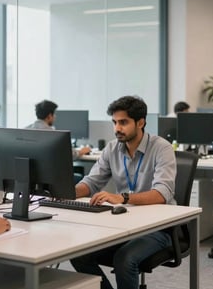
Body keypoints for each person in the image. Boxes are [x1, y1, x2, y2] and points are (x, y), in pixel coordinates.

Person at [70, 95, 176, 289]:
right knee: (78, 253)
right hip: (123, 224)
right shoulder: (112, 149)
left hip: (158, 228)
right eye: (115, 122)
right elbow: (92, 182)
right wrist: (65, 191)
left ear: (141, 122)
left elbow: (162, 194)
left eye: (123, 122)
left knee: (125, 259)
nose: (117, 128)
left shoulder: (162, 148)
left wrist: (122, 197)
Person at [26, 99, 91, 158]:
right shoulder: (53, 135)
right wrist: (82, 151)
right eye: (54, 114)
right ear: (49, 116)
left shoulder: (25, 130)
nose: (55, 117)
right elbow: (70, 154)